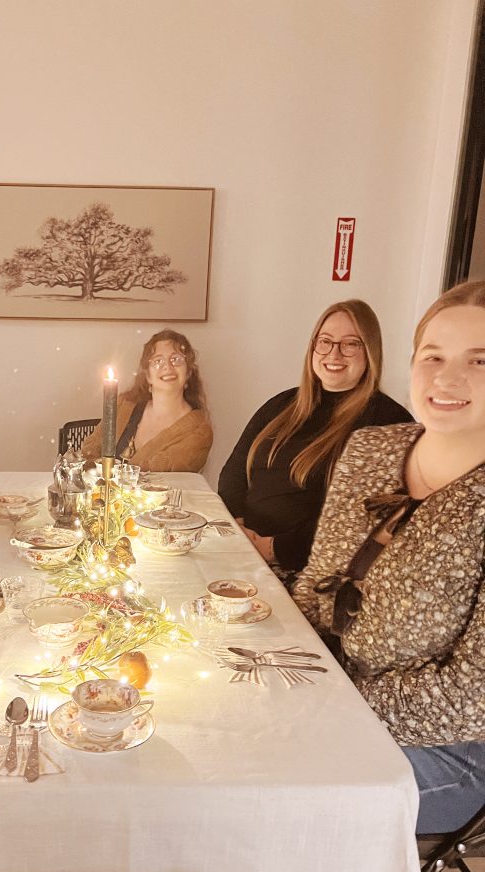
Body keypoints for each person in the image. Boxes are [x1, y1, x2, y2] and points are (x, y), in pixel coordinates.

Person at [293, 281, 485, 833]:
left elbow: (472, 696)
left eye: (479, 360)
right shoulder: (371, 447)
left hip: (450, 747)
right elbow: (316, 583)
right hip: (331, 692)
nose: (447, 378)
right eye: (434, 356)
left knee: (268, 791)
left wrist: (330, 706)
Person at [218, 300, 413, 574]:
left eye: (350, 344)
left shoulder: (388, 422)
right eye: (325, 342)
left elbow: (360, 519)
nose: (334, 354)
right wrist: (239, 531)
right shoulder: (280, 405)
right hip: (244, 550)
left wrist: (273, 548)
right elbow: (233, 474)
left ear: (370, 352)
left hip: (308, 570)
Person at [81, 329, 212, 472]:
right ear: (148, 375)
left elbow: (161, 474)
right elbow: (88, 453)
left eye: (176, 359)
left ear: (188, 372)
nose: (167, 367)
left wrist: (110, 472)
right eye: (158, 361)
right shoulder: (123, 406)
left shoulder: (200, 430)